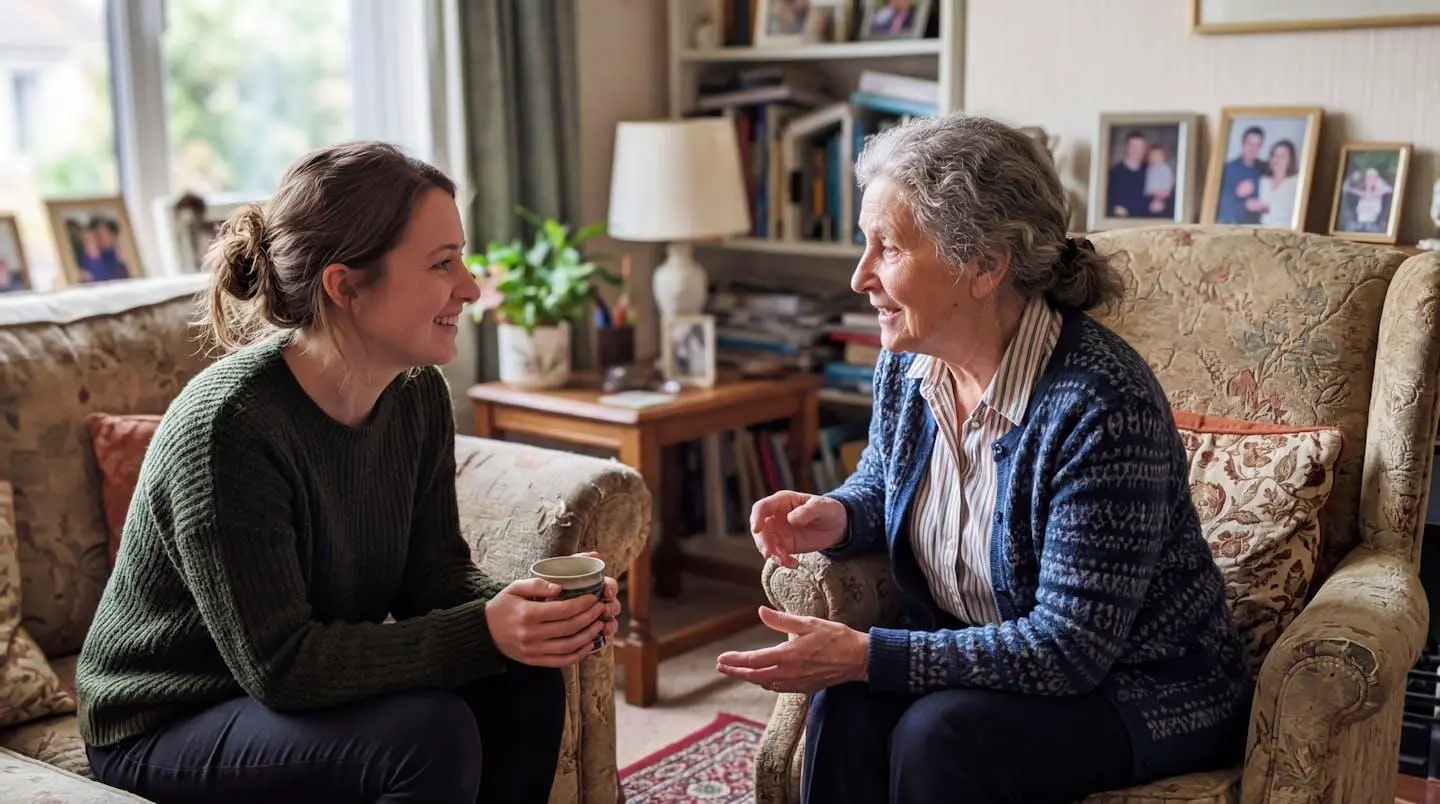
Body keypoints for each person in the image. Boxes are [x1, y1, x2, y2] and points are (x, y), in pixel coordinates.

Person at [716, 114, 1252, 804]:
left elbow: (1070, 647)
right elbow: (888, 479)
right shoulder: (909, 364)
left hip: (1142, 684)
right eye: (863, 245)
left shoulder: (1102, 404)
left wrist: (870, 654)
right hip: (985, 645)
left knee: (938, 736)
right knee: (846, 704)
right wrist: (840, 515)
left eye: (889, 248)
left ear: (985, 265)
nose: (859, 277)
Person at [74, 141, 622, 804]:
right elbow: (281, 667)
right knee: (429, 735)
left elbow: (433, 577)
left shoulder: (417, 392)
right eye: (442, 263)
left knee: (523, 674)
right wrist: (483, 630)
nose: (471, 288)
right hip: (165, 719)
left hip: (271, 690)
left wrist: (533, 612)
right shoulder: (228, 429)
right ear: (345, 287)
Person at [1216, 125, 1268, 224]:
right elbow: (1218, 208)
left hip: (1261, 225)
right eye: (1249, 144)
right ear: (1242, 143)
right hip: (1234, 225)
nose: (1253, 149)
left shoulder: (1265, 168)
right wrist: (1243, 203)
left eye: (1257, 145)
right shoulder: (1226, 169)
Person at [1252, 140, 1299, 228]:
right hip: (1262, 228)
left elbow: (1292, 213)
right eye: (1274, 155)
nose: (1277, 159)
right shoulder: (1263, 181)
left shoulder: (1295, 183)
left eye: (1282, 156)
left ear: (1290, 160)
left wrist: (1266, 208)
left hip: (1285, 230)